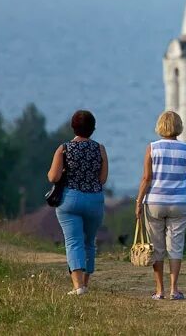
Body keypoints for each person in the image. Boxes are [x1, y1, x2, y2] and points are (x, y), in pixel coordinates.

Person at [47, 109, 108, 296]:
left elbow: (53, 176)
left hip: (70, 199)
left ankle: (78, 286)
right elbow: (103, 178)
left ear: (73, 127)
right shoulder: (100, 148)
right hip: (94, 200)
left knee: (73, 242)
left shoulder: (64, 149)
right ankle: (86, 283)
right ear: (93, 128)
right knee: (89, 242)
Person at [135, 111, 186, 300]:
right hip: (179, 202)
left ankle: (159, 290)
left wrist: (138, 201)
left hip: (155, 202)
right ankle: (175, 289)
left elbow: (146, 178)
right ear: (179, 126)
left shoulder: (152, 147)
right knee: (175, 246)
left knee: (156, 247)